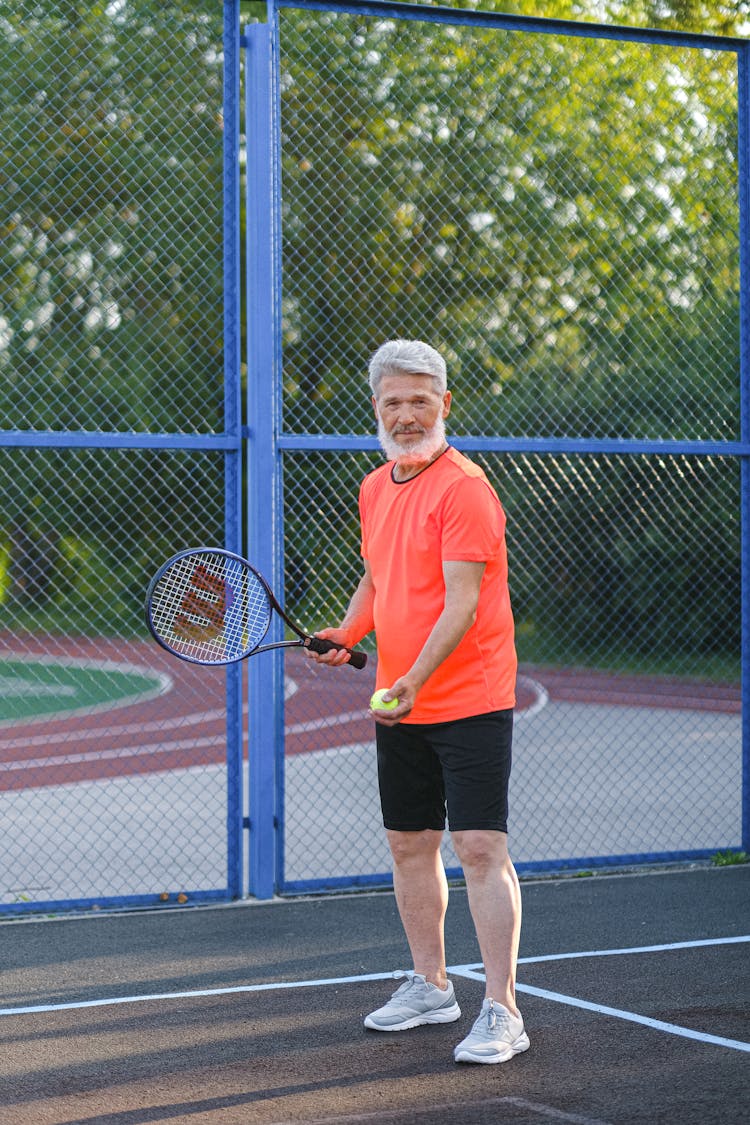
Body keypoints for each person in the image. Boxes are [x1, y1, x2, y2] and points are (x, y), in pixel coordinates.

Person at [306, 339, 529, 1066]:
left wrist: (411, 681)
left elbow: (462, 604)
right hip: (402, 699)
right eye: (393, 402)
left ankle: (502, 1008)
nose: (407, 415)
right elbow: (378, 578)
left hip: (467, 696)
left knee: (478, 847)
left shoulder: (465, 488)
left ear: (444, 403)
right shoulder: (376, 486)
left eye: (419, 400)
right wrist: (349, 630)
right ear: (376, 407)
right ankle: (432, 985)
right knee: (409, 844)